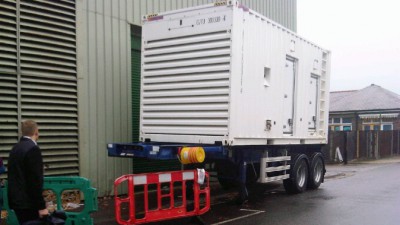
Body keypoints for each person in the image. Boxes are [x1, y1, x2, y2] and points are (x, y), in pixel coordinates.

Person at [8, 120, 49, 224]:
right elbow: (34, 181)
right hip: (29, 203)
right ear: (36, 132)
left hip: (17, 202)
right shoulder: (33, 149)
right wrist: (41, 206)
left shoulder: (15, 148)